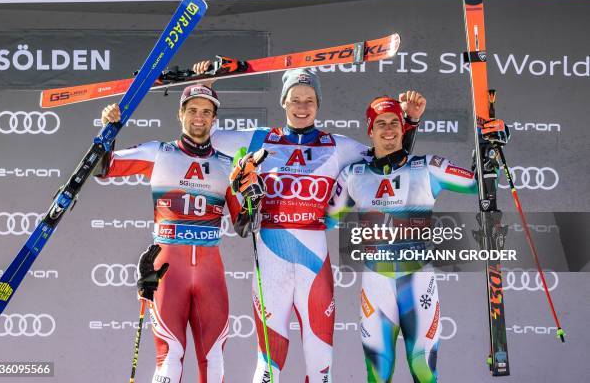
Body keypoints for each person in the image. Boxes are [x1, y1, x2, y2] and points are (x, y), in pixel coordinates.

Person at [192, 61, 425, 383]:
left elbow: (388, 159)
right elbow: (204, 134)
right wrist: (208, 85)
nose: (302, 107)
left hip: (314, 264)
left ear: (317, 105)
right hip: (270, 262)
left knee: (320, 367)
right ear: (284, 102)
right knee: (267, 366)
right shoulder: (260, 138)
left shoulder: (339, 146)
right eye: (296, 99)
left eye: (309, 100)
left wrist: (409, 121)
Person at [326, 96, 509, 383]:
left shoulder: (428, 166)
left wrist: (490, 149)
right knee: (378, 373)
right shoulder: (352, 174)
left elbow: (478, 184)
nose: (388, 129)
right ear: (370, 130)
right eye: (381, 124)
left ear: (403, 128)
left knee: (424, 371)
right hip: (376, 286)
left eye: (394, 123)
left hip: (418, 283)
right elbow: (327, 219)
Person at [97, 84, 263, 383]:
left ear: (214, 119)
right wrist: (108, 130)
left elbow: (244, 226)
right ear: (180, 114)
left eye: (206, 112)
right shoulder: (158, 153)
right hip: (168, 269)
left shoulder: (228, 165)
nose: (199, 118)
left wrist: (251, 196)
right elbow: (103, 167)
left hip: (210, 272)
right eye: (192, 111)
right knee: (169, 361)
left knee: (214, 364)